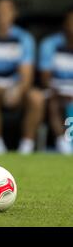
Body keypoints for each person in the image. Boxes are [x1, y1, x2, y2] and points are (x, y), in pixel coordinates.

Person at [0, 0, 44, 154]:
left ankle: (27, 146)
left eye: (7, 10)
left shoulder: (24, 38)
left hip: (15, 87)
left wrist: (17, 90)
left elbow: (26, 76)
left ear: (15, 13)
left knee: (37, 97)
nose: (2, 14)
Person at [39, 8, 73, 154]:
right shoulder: (50, 44)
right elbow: (45, 78)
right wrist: (59, 92)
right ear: (65, 25)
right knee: (53, 102)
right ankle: (63, 144)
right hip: (55, 90)